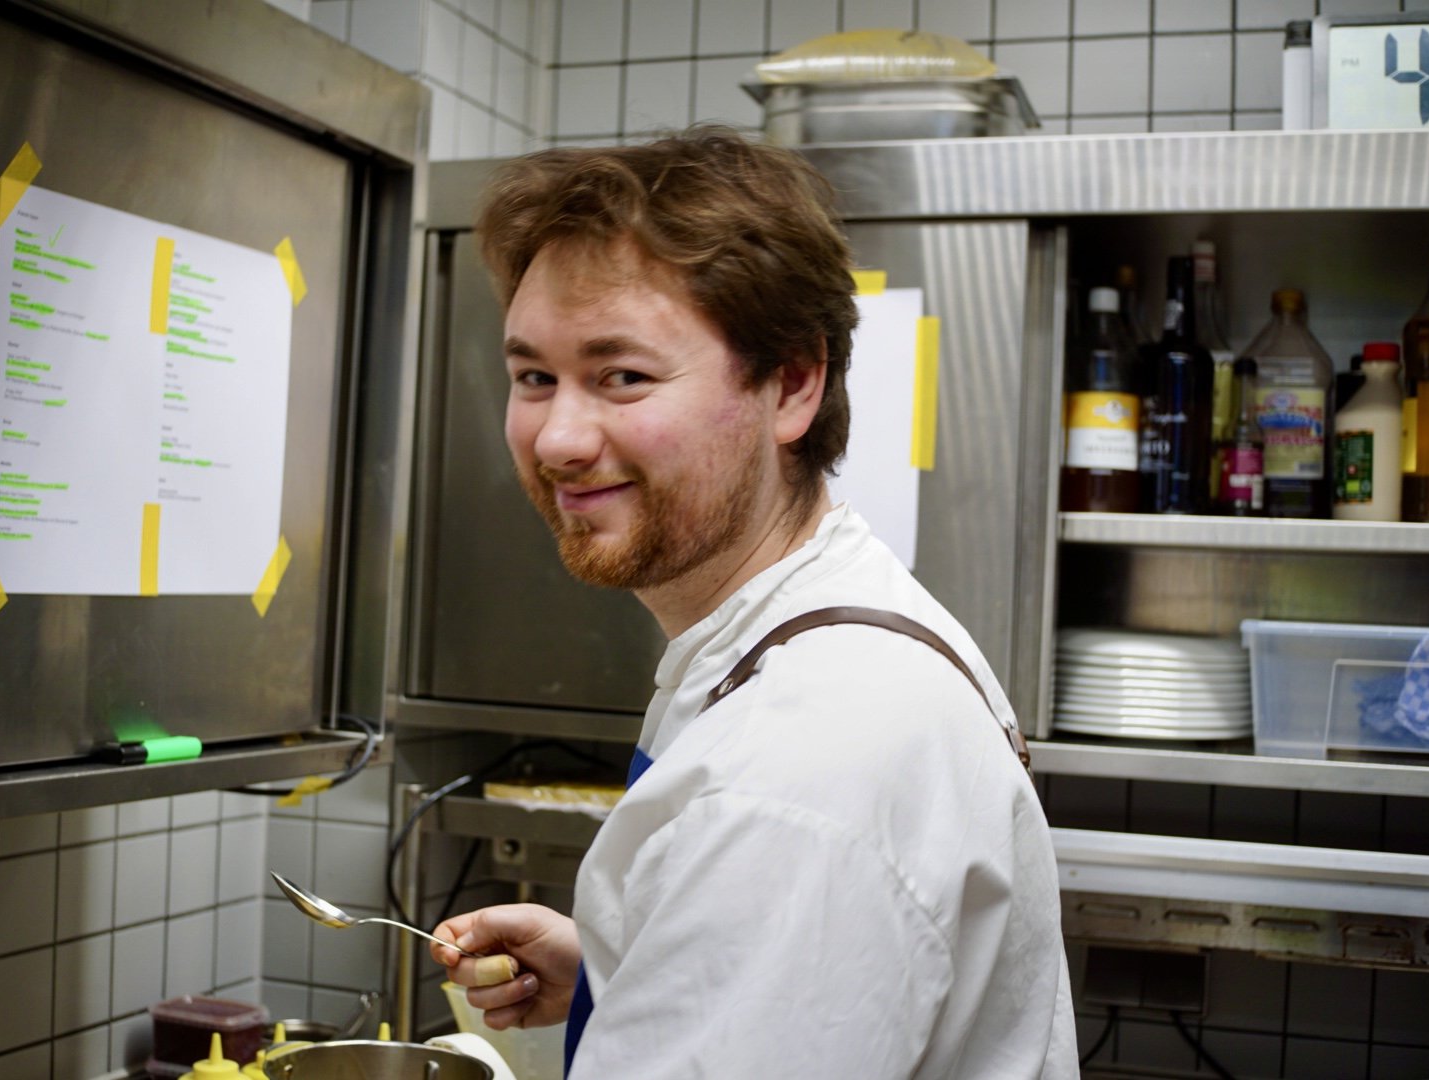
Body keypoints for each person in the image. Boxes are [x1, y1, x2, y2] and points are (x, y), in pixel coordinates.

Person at [432, 126, 1077, 1078]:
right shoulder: (826, 627)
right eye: (535, 376)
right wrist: (632, 968)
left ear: (794, 384)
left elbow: (781, 848)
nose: (559, 437)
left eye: (623, 376)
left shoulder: (794, 782)